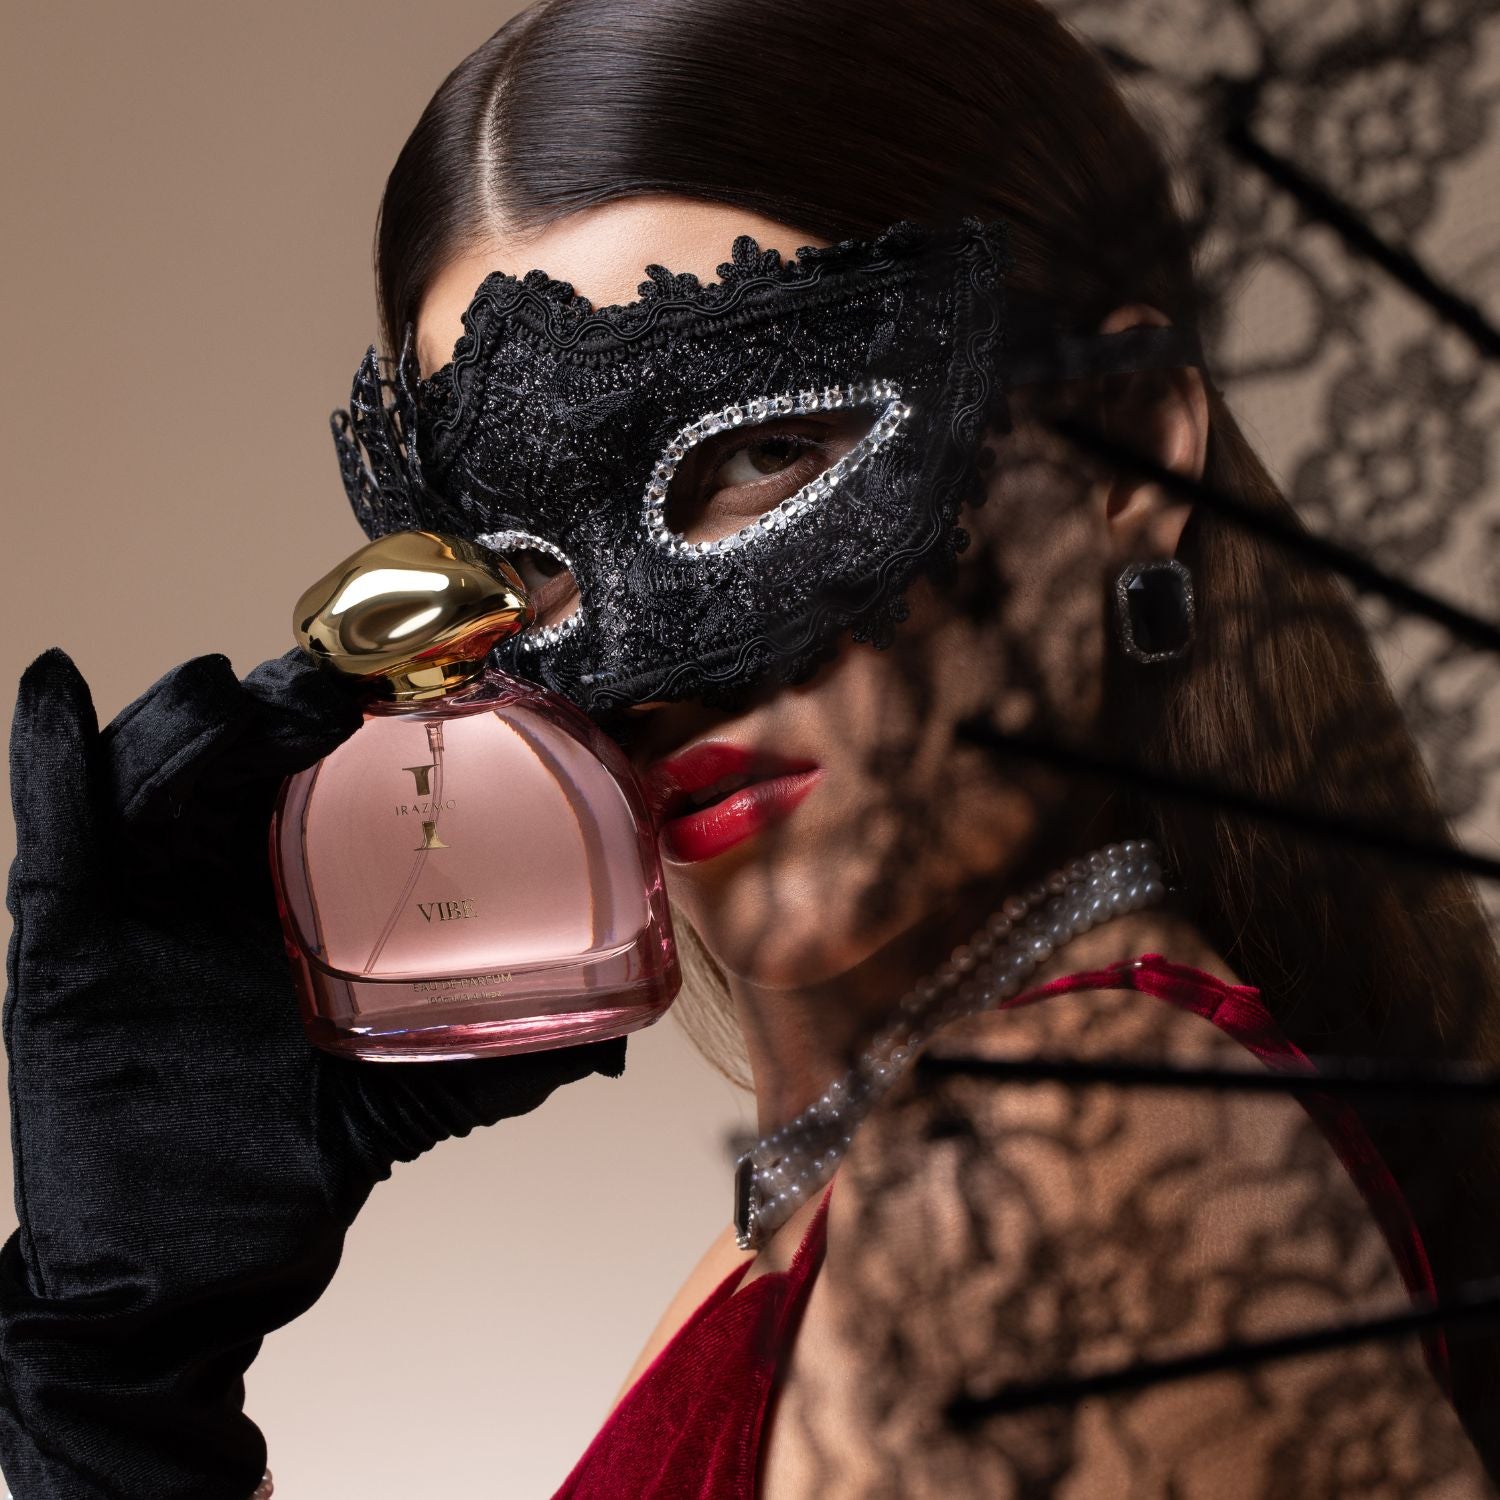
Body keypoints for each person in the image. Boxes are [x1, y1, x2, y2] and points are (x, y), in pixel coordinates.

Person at [3, 1, 1498, 1496]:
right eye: (520, 560)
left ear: (1128, 454)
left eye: (766, 451)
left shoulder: (1061, 1183)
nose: (643, 668)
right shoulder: (874, 1193)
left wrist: (116, 1403)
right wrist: (144, 1367)